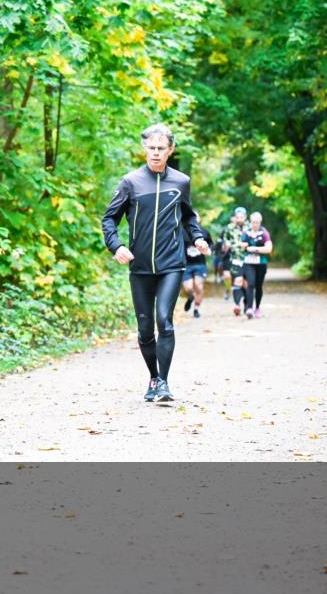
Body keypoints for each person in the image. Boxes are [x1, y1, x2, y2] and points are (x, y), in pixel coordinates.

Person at [102, 123, 209, 403]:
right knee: (145, 327)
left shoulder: (181, 182)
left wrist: (197, 238)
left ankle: (163, 382)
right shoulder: (131, 182)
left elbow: (189, 217)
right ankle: (153, 376)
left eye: (161, 148)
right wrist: (117, 245)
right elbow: (109, 219)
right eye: (151, 148)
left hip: (172, 264)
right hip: (139, 267)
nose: (156, 153)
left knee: (165, 320)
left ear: (171, 150)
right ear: (144, 149)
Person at [241, 211, 273, 319]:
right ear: (250, 222)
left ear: (260, 222)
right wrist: (243, 245)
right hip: (249, 262)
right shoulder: (246, 233)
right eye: (253, 222)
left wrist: (255, 249)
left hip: (261, 263)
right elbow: (240, 245)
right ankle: (249, 308)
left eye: (257, 222)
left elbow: (269, 249)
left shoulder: (264, 233)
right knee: (250, 284)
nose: (255, 224)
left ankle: (257, 307)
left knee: (258, 286)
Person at [181, 213, 213, 318]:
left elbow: (211, 245)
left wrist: (209, 251)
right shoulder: (182, 231)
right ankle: (190, 297)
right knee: (188, 288)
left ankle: (196, 309)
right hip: (187, 264)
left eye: (197, 217)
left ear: (199, 219)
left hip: (200, 264)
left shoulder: (204, 232)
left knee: (198, 286)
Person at [220, 207, 249, 315]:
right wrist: (226, 245)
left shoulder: (250, 227)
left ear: (245, 217)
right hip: (235, 259)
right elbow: (225, 240)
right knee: (238, 281)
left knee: (246, 284)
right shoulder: (229, 228)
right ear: (235, 218)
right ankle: (237, 305)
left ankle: (247, 304)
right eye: (238, 217)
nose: (239, 219)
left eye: (241, 217)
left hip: (249, 259)